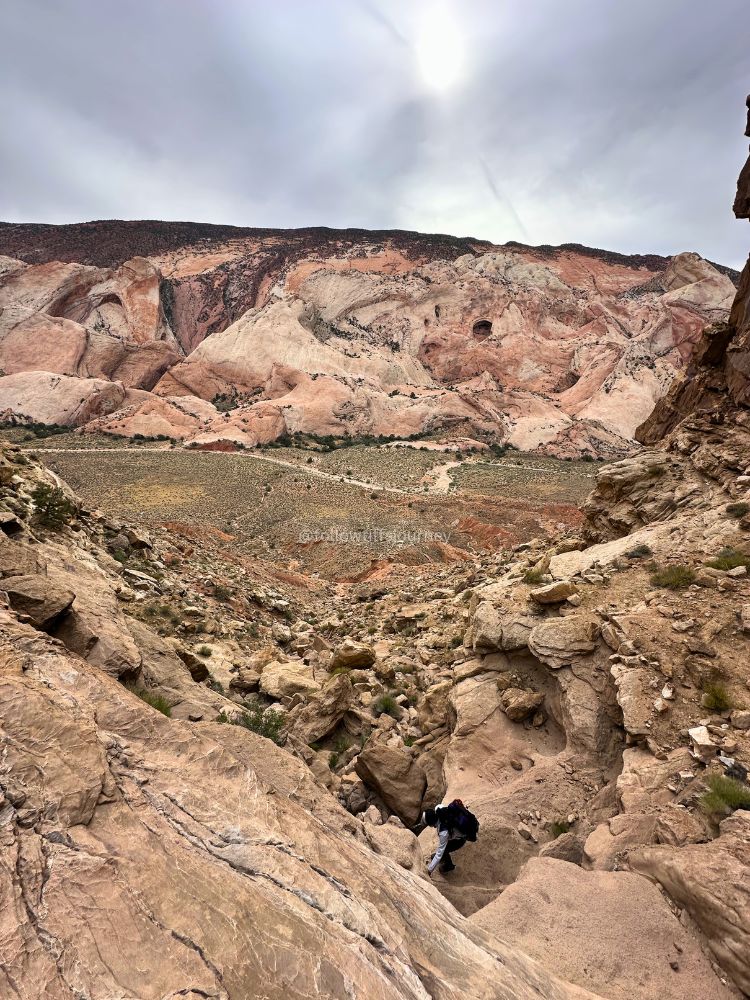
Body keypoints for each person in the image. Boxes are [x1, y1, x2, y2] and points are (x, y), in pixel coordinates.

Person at [423, 799, 479, 875]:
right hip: (456, 833)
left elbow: (439, 853)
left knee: (444, 849)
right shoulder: (439, 808)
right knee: (443, 847)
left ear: (431, 824)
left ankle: (449, 866)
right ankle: (445, 858)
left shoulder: (443, 832)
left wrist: (429, 870)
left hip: (460, 839)